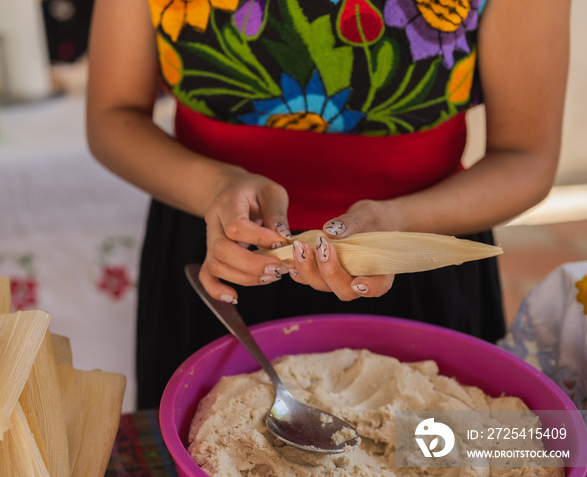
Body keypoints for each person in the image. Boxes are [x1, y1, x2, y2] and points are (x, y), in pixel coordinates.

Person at [85, 0, 572, 409]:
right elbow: (113, 114)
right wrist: (215, 187)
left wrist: (400, 221)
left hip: (418, 263)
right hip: (222, 257)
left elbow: (525, 156)